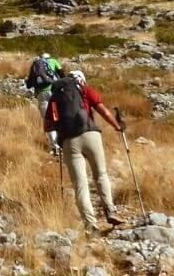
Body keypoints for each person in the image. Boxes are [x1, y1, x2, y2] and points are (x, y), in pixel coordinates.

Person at [44, 70, 124, 232]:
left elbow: (47, 126)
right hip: (91, 135)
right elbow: (104, 112)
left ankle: (90, 223)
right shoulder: (85, 89)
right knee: (101, 174)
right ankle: (110, 210)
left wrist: (60, 129)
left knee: (80, 184)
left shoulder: (55, 98)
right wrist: (118, 126)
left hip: (69, 142)